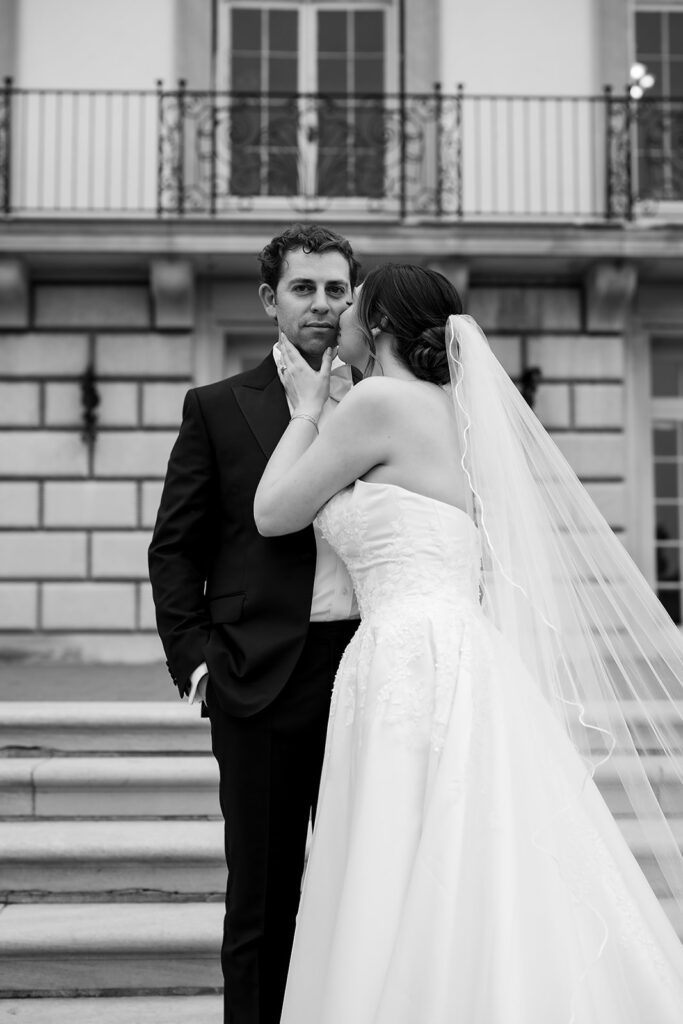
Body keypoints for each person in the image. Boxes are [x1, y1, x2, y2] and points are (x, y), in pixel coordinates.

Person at [254, 264, 683, 1022]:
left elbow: (274, 512)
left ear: (379, 326)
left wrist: (305, 411)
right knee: (466, 840)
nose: (338, 316)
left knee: (399, 843)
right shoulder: (457, 411)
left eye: (350, 305)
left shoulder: (375, 402)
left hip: (405, 652)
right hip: (461, 648)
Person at [148, 223, 362, 1024]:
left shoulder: (383, 401)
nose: (321, 305)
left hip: (370, 667)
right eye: (303, 289)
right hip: (258, 674)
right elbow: (176, 548)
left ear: (353, 301)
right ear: (270, 300)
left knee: (365, 884)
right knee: (263, 900)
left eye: (336, 289)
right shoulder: (217, 407)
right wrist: (198, 660)